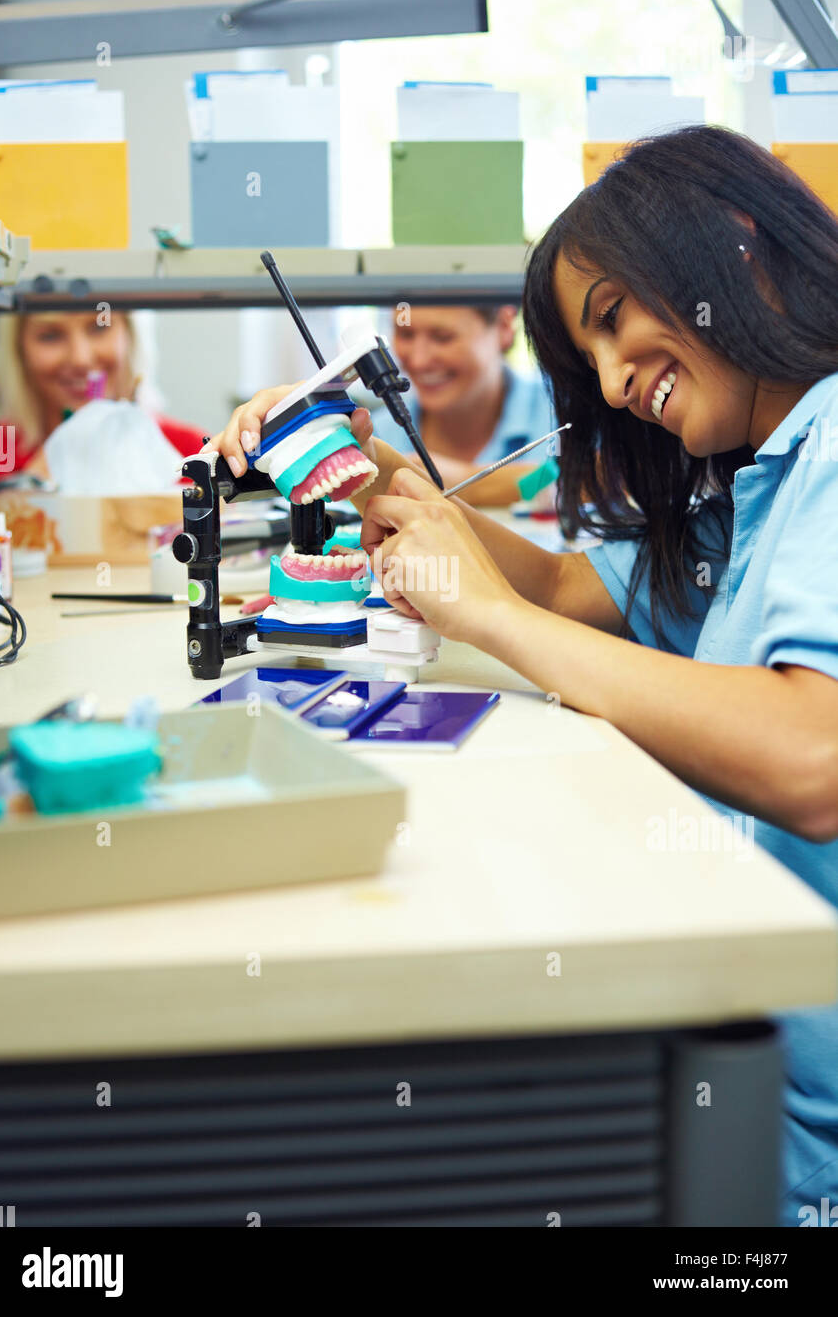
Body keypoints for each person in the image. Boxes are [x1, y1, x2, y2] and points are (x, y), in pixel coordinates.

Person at [211, 125, 838, 1225]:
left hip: (793, 1134)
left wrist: (484, 616)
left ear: (735, 242)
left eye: (609, 322)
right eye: (586, 356)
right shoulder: (759, 482)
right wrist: (375, 468)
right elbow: (558, 595)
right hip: (741, 1039)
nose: (607, 378)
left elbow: (811, 757)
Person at [0, 311, 205, 491]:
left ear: (129, 334)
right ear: (19, 349)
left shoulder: (192, 453)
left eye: (98, 328)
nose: (80, 359)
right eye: (51, 335)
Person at [367, 304, 557, 506]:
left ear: (504, 327)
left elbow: (585, 486)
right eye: (406, 334)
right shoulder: (376, 433)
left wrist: (464, 484)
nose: (418, 361)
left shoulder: (564, 410)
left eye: (442, 337)